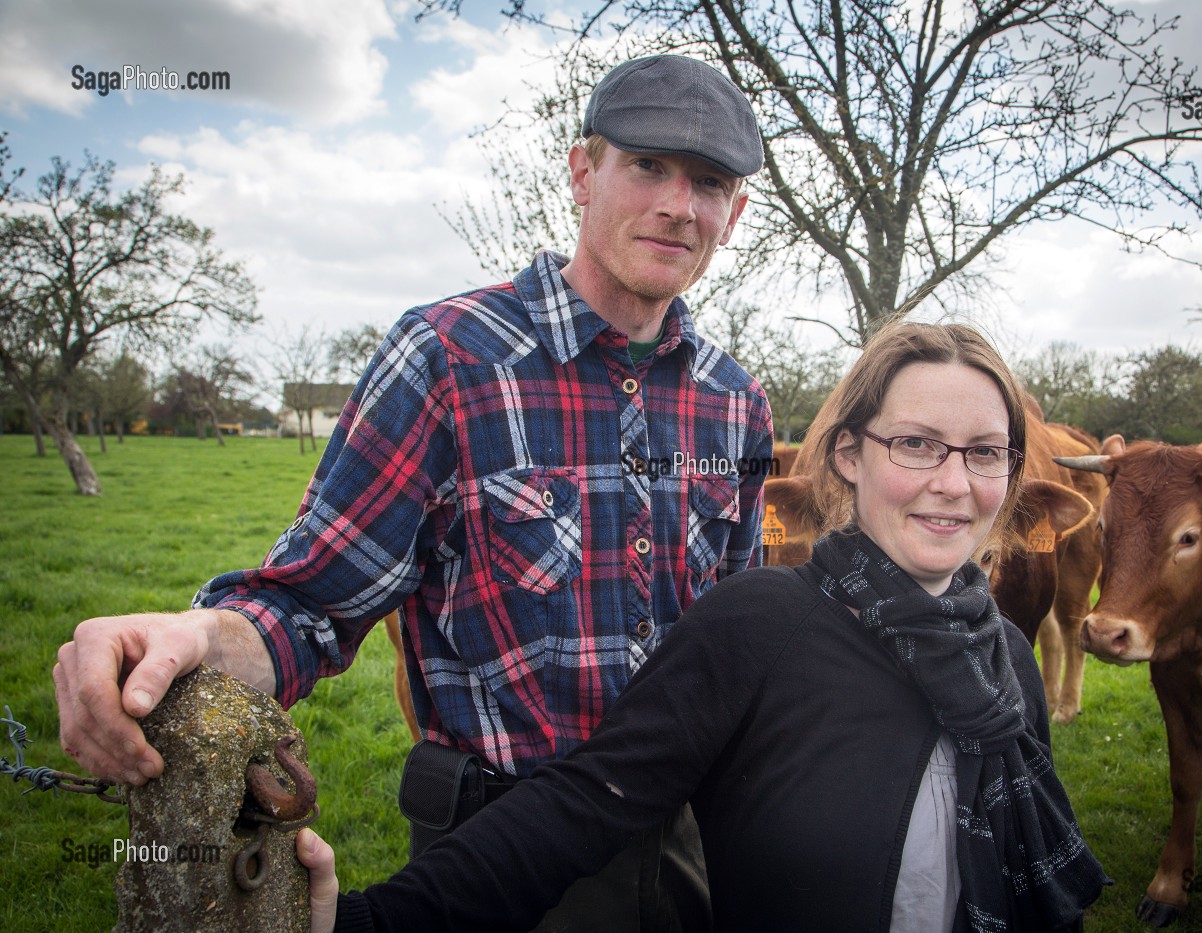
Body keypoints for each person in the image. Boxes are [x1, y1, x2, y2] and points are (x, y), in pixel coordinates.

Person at [52, 54, 774, 932]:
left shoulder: (734, 405)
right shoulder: (448, 359)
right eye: (647, 166)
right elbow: (309, 604)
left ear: (733, 215)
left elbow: (739, 650)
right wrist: (186, 639)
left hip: (687, 846)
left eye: (708, 182)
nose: (677, 203)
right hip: (492, 856)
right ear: (584, 172)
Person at [298, 322, 1111, 933]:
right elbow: (582, 805)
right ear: (848, 457)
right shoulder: (761, 623)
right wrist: (364, 922)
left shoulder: (1004, 655)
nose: (952, 483)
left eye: (984, 453)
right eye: (917, 445)